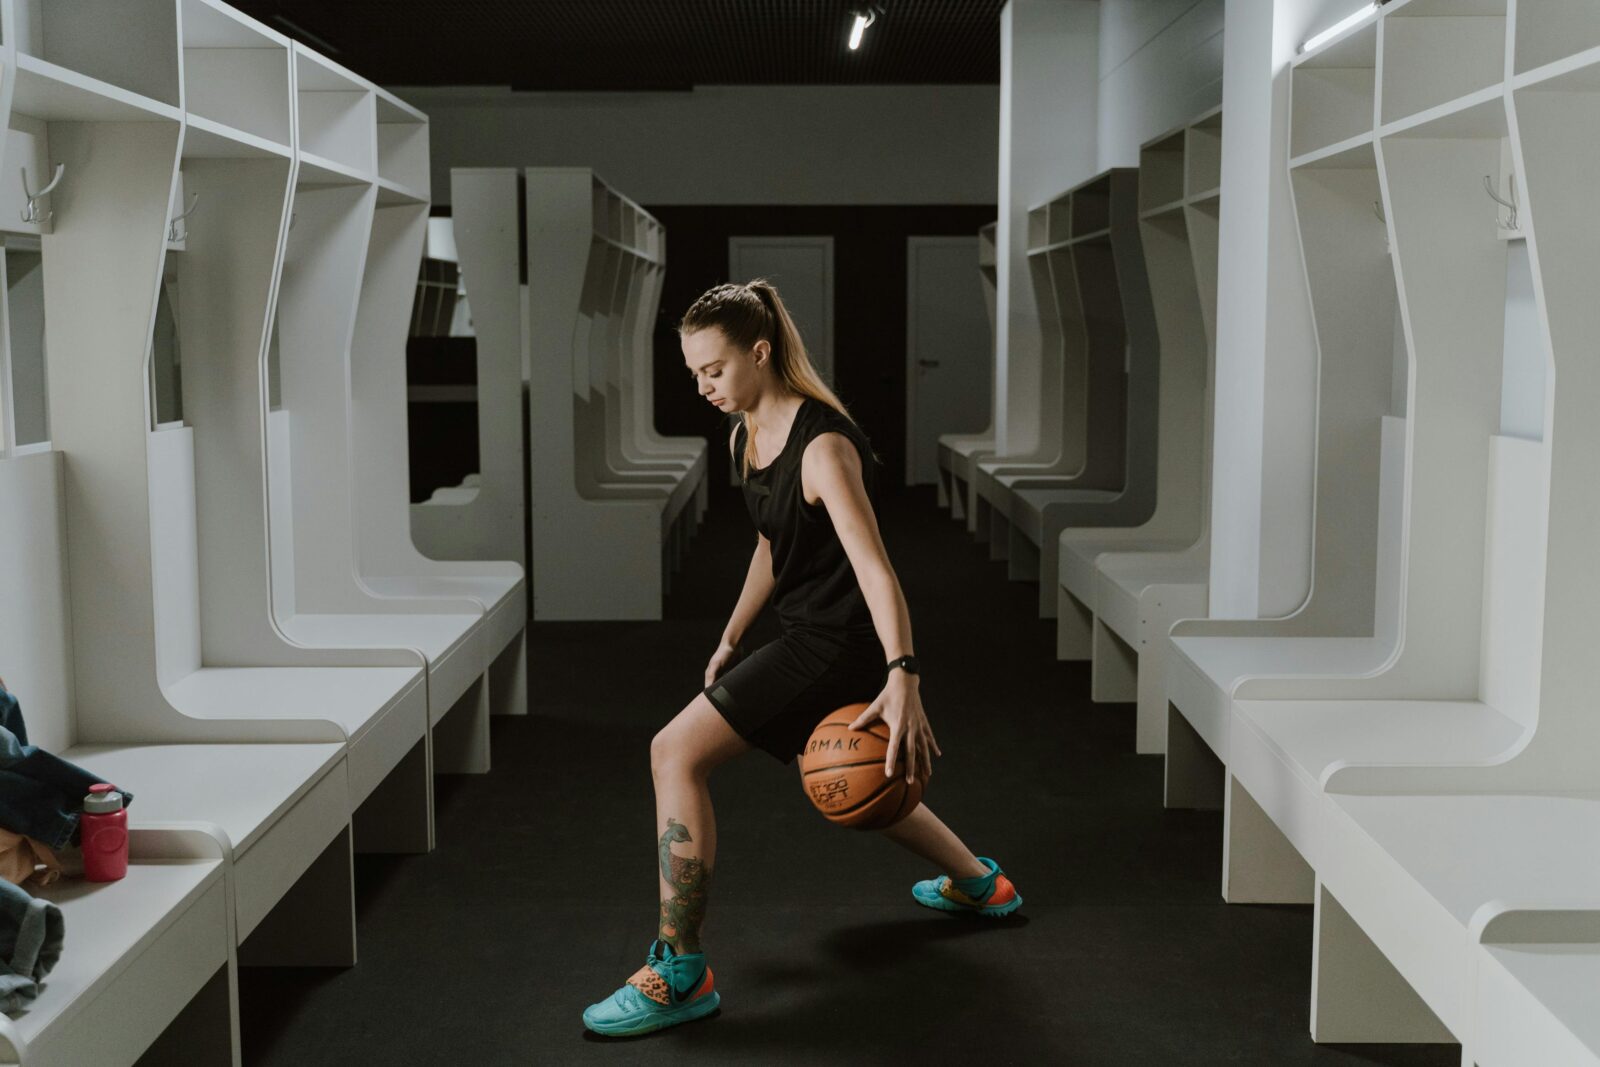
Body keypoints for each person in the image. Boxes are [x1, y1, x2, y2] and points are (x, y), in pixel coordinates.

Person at [582, 279, 1022, 1038]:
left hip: (840, 644)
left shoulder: (823, 448)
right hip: (807, 632)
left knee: (674, 753)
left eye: (714, 369)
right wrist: (730, 634)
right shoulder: (749, 431)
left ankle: (680, 966)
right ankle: (984, 883)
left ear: (759, 351)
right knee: (858, 781)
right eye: (693, 373)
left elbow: (878, 567)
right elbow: (771, 543)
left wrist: (903, 673)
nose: (703, 386)